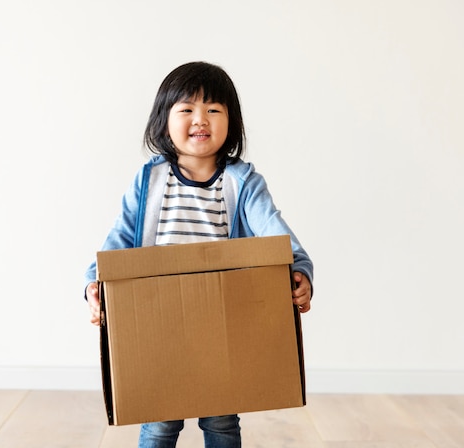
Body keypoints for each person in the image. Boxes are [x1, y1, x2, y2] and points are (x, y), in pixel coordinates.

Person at [84, 61, 313, 448]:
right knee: (158, 424)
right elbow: (118, 240)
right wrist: (95, 283)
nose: (200, 119)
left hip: (222, 322)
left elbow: (275, 232)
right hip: (157, 322)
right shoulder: (148, 181)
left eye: (213, 110)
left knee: (222, 421)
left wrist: (300, 269)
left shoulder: (242, 183)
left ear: (231, 122)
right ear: (165, 120)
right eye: (186, 109)